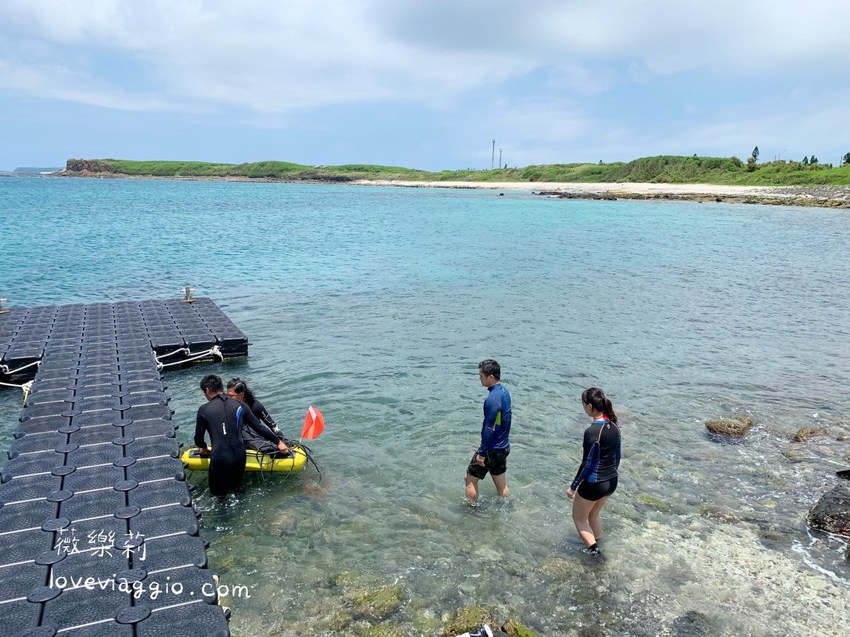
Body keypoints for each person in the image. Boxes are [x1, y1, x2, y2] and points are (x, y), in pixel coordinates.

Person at [194, 374, 288, 496]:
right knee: (237, 490)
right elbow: (259, 428)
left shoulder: (204, 409)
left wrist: (204, 448)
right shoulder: (240, 405)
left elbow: (198, 439)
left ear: (207, 390)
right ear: (221, 387)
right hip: (240, 456)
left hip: (220, 459)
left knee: (219, 497)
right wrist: (279, 442)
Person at [566, 387, 621, 556]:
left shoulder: (592, 432)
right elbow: (617, 456)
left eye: (583, 405)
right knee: (594, 515)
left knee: (579, 519)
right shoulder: (614, 426)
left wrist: (573, 487)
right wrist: (611, 474)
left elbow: (587, 464)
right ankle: (598, 543)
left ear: (589, 406)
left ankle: (596, 555)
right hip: (611, 481)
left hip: (594, 484)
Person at [465, 359, 512, 505]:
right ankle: (506, 508)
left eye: (481, 375)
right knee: (501, 485)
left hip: (491, 449)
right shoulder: (504, 392)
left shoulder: (492, 399)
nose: (480, 378)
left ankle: (471, 510)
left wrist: (482, 452)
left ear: (490, 377)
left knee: (470, 479)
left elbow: (489, 427)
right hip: (503, 447)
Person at [226, 377, 290, 454]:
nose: (228, 399)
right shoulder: (229, 406)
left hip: (255, 437)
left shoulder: (255, 406)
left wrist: (284, 440)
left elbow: (271, 424)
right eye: (227, 395)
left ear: (241, 395)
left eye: (231, 396)